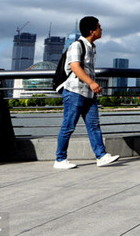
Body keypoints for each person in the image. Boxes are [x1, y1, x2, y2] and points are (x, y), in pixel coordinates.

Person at [53, 15, 120, 169]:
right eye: (99, 27)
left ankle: (101, 156)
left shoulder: (92, 47)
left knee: (94, 125)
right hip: (74, 91)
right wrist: (92, 83)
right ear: (92, 31)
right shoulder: (77, 46)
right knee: (68, 125)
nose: (101, 29)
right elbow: (75, 67)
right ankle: (60, 159)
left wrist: (91, 86)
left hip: (88, 93)